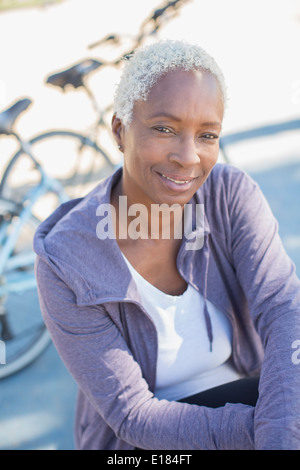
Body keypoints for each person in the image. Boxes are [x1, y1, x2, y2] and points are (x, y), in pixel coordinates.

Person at [34, 39, 300, 450]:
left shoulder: (229, 196)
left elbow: (284, 309)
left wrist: (281, 424)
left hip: (253, 400)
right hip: (148, 446)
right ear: (120, 131)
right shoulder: (65, 259)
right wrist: (271, 433)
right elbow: (134, 416)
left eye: (207, 135)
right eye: (164, 129)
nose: (188, 157)